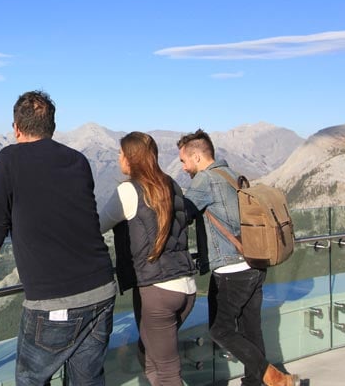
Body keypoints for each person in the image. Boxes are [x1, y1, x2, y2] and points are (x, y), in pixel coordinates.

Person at [0, 90, 117, 386]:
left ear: (16, 128)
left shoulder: (9, 159)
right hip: (102, 290)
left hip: (54, 302)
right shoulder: (78, 160)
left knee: (31, 380)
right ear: (52, 128)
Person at [176, 129, 299, 386]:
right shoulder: (231, 175)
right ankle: (257, 382)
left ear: (197, 157)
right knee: (251, 330)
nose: (184, 167)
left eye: (184, 161)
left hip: (230, 270)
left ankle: (275, 378)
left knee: (220, 330)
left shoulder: (205, 180)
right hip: (255, 265)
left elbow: (182, 214)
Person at [98, 131, 196, 386]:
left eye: (120, 154)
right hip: (185, 286)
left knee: (166, 373)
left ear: (130, 158)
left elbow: (97, 225)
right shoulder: (170, 183)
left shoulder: (129, 191)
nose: (118, 159)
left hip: (157, 291)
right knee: (151, 359)